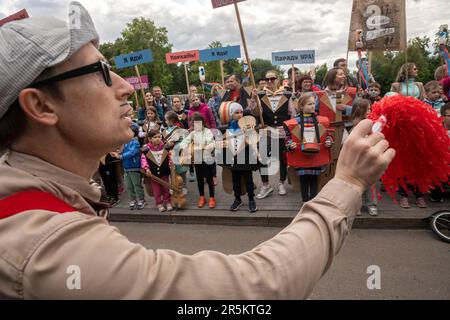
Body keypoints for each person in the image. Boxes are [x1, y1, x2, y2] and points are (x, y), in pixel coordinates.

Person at [0, 3, 396, 299]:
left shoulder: (37, 203)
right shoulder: (45, 245)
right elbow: (249, 292)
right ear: (41, 107)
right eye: (102, 72)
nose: (125, 87)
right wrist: (348, 181)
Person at [252, 70, 296, 199]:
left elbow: (292, 114)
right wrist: (254, 99)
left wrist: (290, 131)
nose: (270, 81)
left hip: (282, 129)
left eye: (273, 78)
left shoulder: (287, 94)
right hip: (266, 129)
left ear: (278, 79)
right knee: (262, 157)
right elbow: (255, 112)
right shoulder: (260, 95)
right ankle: (266, 185)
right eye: (267, 79)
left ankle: (281, 183)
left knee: (282, 157)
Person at [284, 94, 333, 202]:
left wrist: (329, 141)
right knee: (303, 180)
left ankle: (313, 202)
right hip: (301, 156)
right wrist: (290, 144)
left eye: (313, 103)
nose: (312, 106)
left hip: (316, 156)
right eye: (309, 104)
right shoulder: (294, 122)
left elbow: (327, 135)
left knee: (315, 179)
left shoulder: (322, 121)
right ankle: (305, 202)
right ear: (301, 106)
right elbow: (288, 137)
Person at [218, 103, 259, 213]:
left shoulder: (247, 125)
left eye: (241, 112)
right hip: (234, 158)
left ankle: (251, 200)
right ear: (231, 114)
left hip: (246, 156)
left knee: (248, 180)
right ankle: (237, 199)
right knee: (235, 181)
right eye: (236, 113)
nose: (240, 114)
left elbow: (254, 139)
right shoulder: (229, 127)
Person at [180, 112, 216, 208]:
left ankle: (212, 197)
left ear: (202, 123)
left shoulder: (207, 131)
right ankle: (202, 197)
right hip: (197, 160)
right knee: (199, 179)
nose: (195, 126)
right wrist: (187, 148)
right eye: (193, 125)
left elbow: (211, 143)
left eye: (197, 124)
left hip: (207, 160)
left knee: (209, 179)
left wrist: (203, 147)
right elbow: (183, 143)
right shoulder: (192, 133)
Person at [350, 98, 379, 216]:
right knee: (356, 183)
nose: (369, 111)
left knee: (371, 182)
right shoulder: (353, 126)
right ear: (360, 110)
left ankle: (371, 204)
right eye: (367, 109)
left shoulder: (372, 123)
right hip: (357, 159)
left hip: (369, 157)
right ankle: (356, 205)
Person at [113, 123, 146, 210]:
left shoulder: (135, 142)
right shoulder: (125, 142)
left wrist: (121, 156)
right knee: (129, 186)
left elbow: (132, 152)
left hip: (134, 167)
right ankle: (133, 199)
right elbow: (120, 151)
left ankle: (141, 199)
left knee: (137, 184)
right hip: (126, 167)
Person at [141, 129, 173, 212]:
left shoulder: (165, 147)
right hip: (153, 173)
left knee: (166, 188)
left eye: (159, 137)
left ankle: (168, 202)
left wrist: (171, 164)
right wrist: (146, 169)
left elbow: (169, 157)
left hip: (164, 171)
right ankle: (159, 203)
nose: (158, 139)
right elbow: (143, 159)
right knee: (157, 190)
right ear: (149, 139)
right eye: (155, 137)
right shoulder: (146, 149)